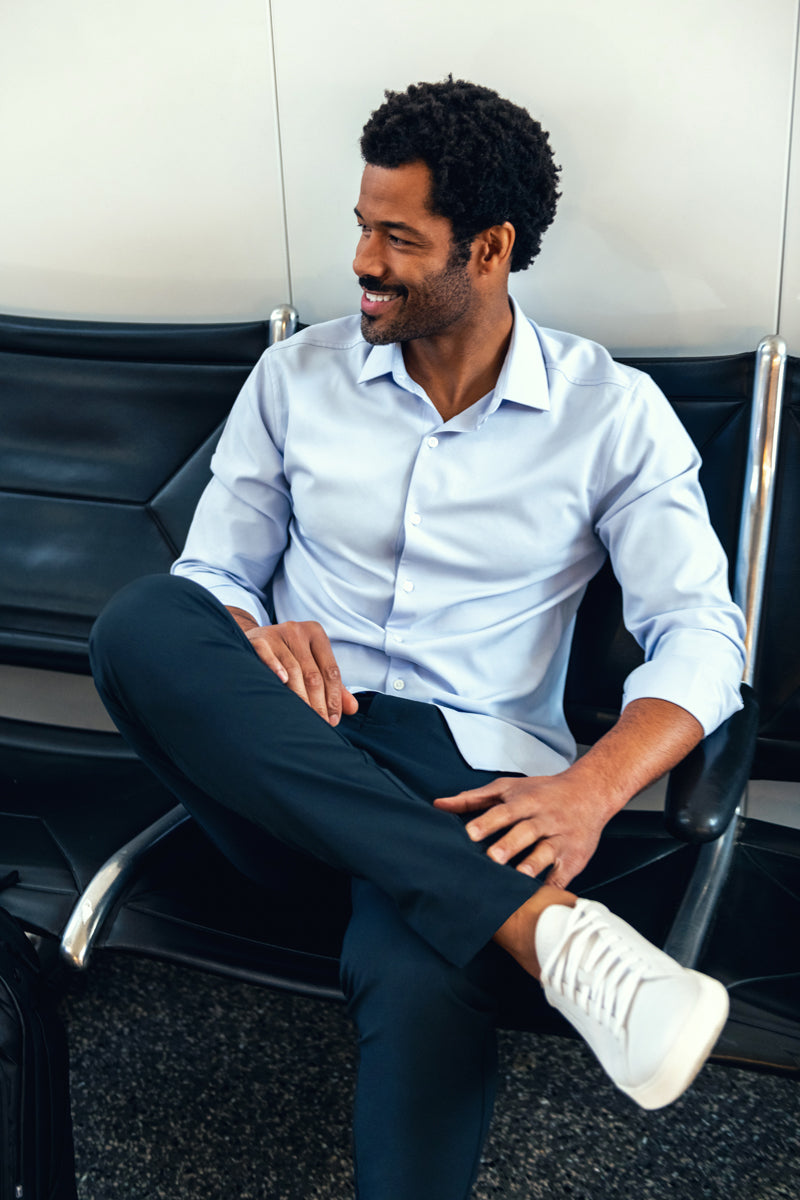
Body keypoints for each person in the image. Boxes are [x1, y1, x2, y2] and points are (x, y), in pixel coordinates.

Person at [90, 78, 746, 1200]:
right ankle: (543, 930)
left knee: (419, 957)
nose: (362, 262)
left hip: (468, 783)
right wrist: (250, 631)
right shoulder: (293, 379)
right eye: (360, 225)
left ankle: (489, 910)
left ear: (486, 250)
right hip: (283, 774)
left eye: (398, 236)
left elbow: (699, 632)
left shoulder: (609, 413)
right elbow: (209, 574)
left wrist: (587, 791)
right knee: (142, 621)